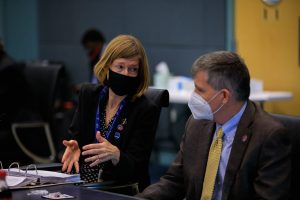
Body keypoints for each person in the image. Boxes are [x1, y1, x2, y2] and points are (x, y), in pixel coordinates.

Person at [137, 51, 291, 200]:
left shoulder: (269, 136)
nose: (193, 95)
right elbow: (174, 181)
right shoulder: (196, 123)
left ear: (224, 96)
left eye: (200, 90)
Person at [61, 34, 159, 191]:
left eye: (133, 69)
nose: (126, 74)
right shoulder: (89, 95)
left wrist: (117, 155)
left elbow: (138, 166)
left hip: (120, 187)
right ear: (107, 66)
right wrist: (75, 145)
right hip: (82, 183)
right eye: (120, 67)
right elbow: (75, 136)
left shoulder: (145, 109)